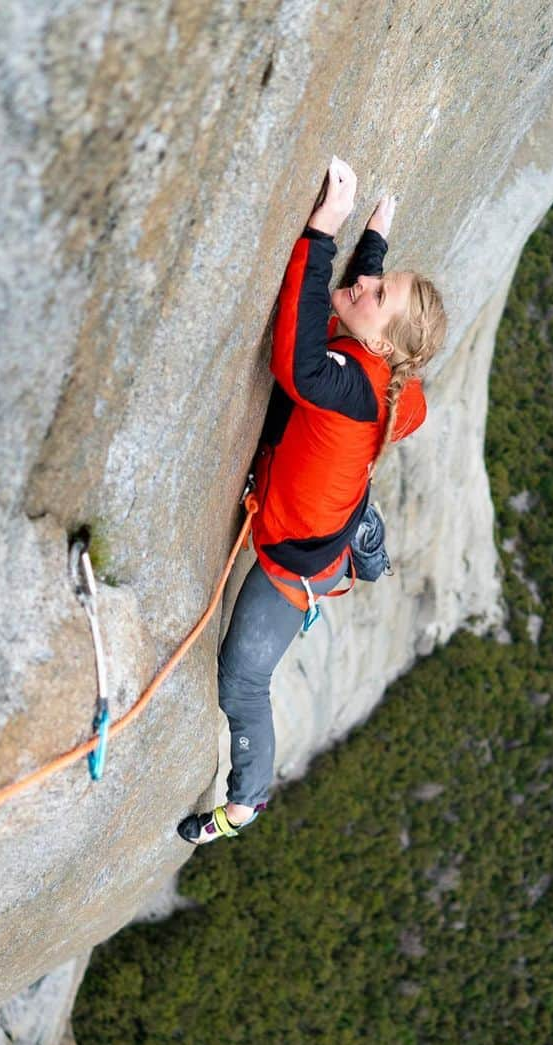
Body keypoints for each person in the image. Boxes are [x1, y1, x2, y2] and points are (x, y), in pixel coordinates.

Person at [178, 157, 448, 845]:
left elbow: (294, 361)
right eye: (380, 279)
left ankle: (244, 805)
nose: (366, 285)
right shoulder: (396, 384)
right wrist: (376, 241)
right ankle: (362, 547)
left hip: (295, 560)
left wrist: (322, 230)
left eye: (380, 290)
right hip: (332, 511)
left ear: (382, 342)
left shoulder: (355, 389)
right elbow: (358, 310)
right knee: (346, 497)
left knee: (240, 681)